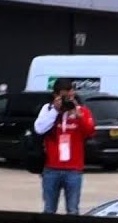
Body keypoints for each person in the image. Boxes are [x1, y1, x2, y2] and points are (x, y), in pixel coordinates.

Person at [32, 78, 95, 214]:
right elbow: (39, 129)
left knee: (73, 210)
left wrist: (78, 116)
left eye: (71, 94)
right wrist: (55, 110)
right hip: (51, 169)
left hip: (74, 169)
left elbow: (90, 132)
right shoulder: (48, 109)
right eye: (65, 95)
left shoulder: (83, 111)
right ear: (56, 95)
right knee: (49, 209)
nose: (68, 98)